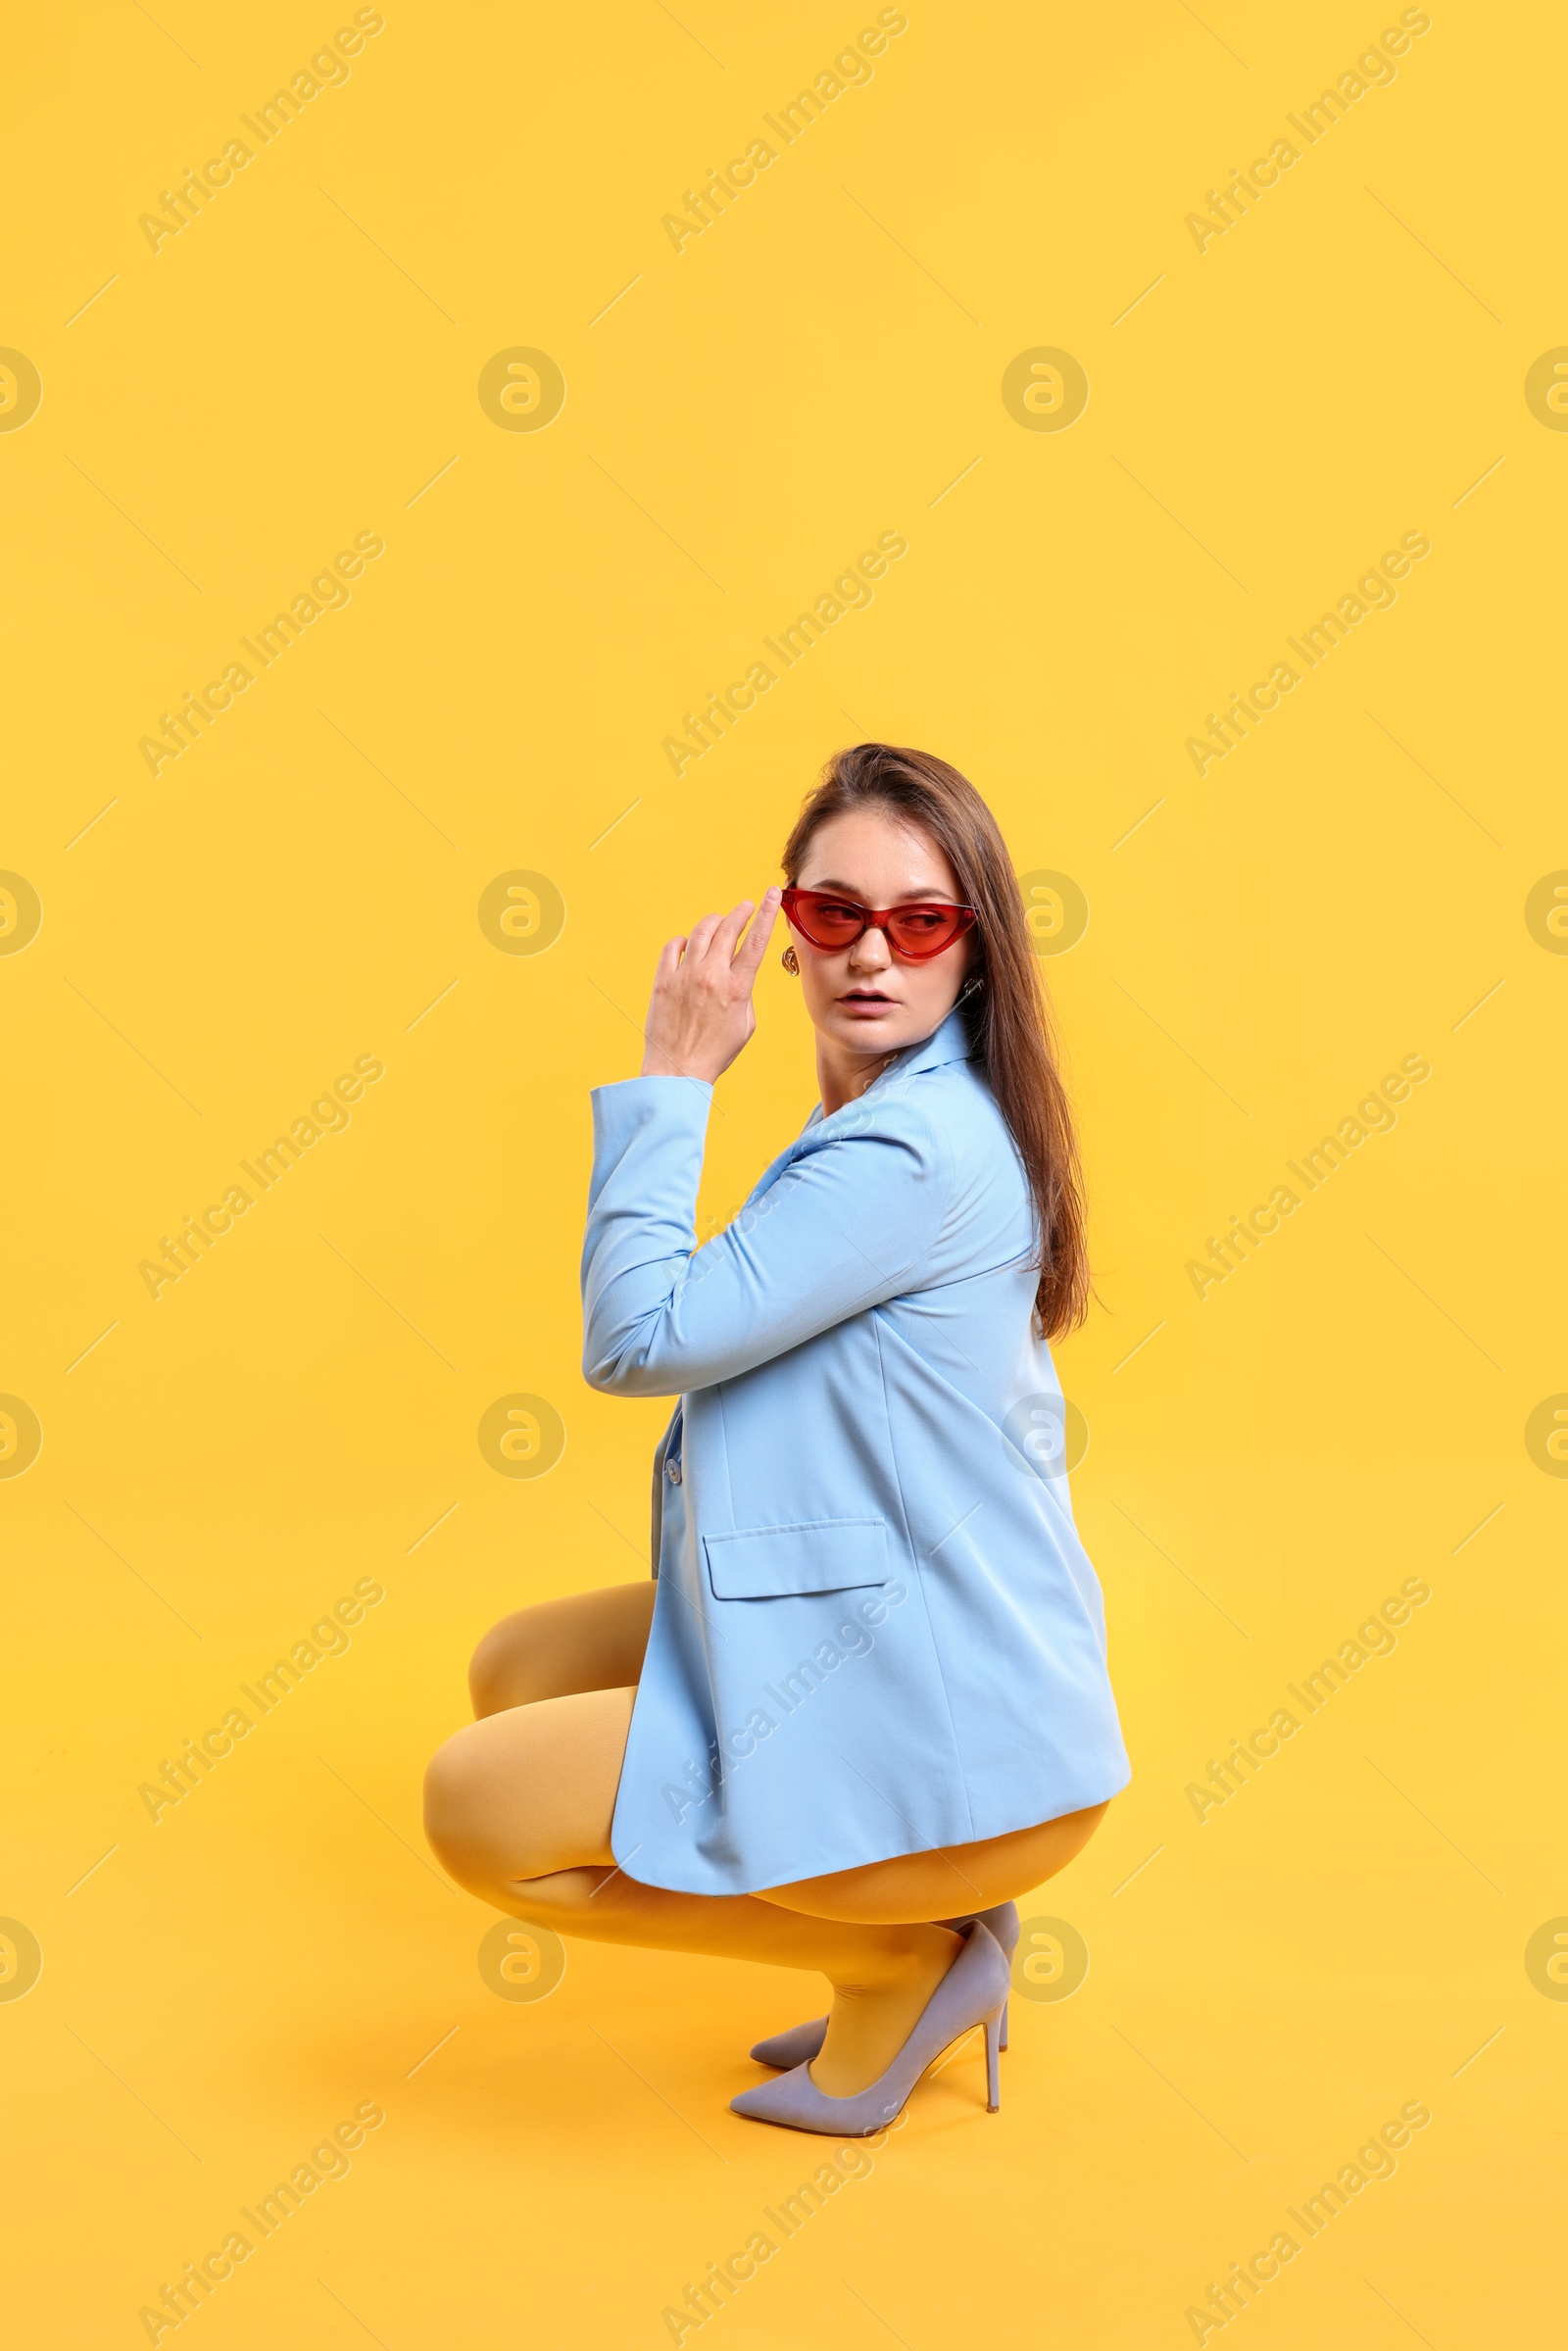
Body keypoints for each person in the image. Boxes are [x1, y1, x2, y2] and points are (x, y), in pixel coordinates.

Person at [424, 742, 1130, 2135]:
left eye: (919, 920)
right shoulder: (896, 1119)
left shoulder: (908, 1155)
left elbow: (638, 1340)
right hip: (913, 1625)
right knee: (518, 1668)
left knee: (476, 1810)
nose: (875, 952)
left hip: (966, 1724)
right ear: (788, 933)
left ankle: (908, 1960)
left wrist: (675, 1075)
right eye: (835, 914)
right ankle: (922, 1924)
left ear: (973, 948)